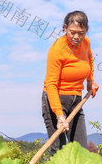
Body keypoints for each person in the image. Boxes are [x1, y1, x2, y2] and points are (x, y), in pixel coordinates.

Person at [42, 11, 99, 154]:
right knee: (59, 151)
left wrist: (90, 81)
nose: (77, 37)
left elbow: (89, 59)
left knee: (80, 150)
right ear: (65, 28)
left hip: (76, 100)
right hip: (56, 100)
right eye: (72, 32)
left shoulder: (86, 43)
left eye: (81, 33)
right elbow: (51, 84)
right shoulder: (57, 49)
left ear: (86, 30)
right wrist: (59, 115)